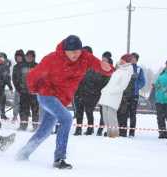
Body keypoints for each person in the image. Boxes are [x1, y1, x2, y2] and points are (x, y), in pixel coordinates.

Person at [16, 35, 113, 169]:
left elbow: (101, 67)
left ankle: (22, 153)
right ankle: (59, 158)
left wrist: (108, 69)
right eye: (72, 52)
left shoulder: (85, 58)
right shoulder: (52, 59)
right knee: (67, 118)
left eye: (78, 51)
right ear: (65, 50)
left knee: (45, 130)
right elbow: (33, 75)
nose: (75, 54)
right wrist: (33, 89)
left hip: (61, 99)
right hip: (47, 95)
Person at [73, 48, 112, 136]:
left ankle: (90, 129)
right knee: (79, 112)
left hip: (90, 93)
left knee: (88, 111)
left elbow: (101, 80)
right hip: (78, 92)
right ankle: (78, 129)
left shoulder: (97, 65)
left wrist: (94, 91)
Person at [98, 54, 134, 138]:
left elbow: (122, 86)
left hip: (114, 96)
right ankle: (109, 132)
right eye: (121, 59)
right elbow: (110, 83)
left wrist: (111, 91)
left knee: (111, 116)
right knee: (105, 115)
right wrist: (105, 89)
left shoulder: (127, 71)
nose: (121, 61)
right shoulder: (118, 70)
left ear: (127, 61)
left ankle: (114, 134)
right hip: (107, 95)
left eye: (123, 60)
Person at [117, 52, 146, 137]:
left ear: (136, 60)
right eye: (131, 58)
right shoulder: (125, 68)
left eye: (134, 58)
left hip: (134, 95)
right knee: (124, 113)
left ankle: (132, 132)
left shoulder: (139, 69)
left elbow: (143, 81)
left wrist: (137, 87)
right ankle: (123, 132)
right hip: (125, 95)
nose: (132, 59)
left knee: (132, 114)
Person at [13, 50, 39, 131]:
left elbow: (41, 79)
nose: (29, 58)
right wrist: (19, 89)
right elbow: (15, 79)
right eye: (28, 56)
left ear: (34, 57)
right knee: (23, 109)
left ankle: (35, 126)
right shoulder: (20, 66)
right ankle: (23, 125)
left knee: (35, 110)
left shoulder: (37, 66)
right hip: (23, 92)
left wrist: (38, 89)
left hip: (34, 93)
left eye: (31, 56)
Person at [154, 58, 167, 139]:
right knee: (160, 117)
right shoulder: (161, 74)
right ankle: (162, 133)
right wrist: (156, 86)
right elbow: (156, 84)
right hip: (159, 99)